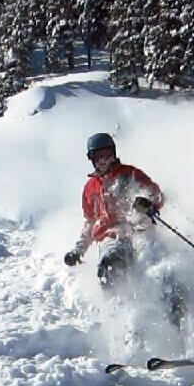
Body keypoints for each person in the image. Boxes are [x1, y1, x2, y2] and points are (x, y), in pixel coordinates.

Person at [63, 132, 186, 325]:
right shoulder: (90, 188)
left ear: (113, 154)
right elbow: (89, 223)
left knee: (163, 273)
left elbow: (157, 195)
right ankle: (122, 324)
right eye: (97, 157)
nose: (103, 161)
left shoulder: (130, 174)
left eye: (106, 155)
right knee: (111, 264)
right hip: (111, 236)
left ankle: (182, 329)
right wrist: (78, 250)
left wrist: (148, 203)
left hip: (139, 230)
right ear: (91, 160)